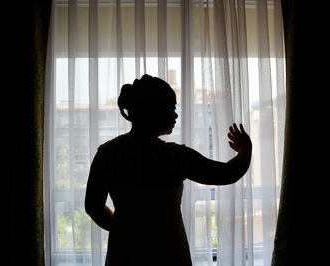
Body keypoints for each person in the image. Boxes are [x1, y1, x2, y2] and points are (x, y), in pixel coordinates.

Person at [85, 74, 252, 266]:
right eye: (171, 108)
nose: (176, 115)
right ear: (153, 111)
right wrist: (245, 149)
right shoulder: (175, 156)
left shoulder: (107, 152)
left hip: (123, 253)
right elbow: (228, 173)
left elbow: (93, 206)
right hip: (169, 252)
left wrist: (125, 227)